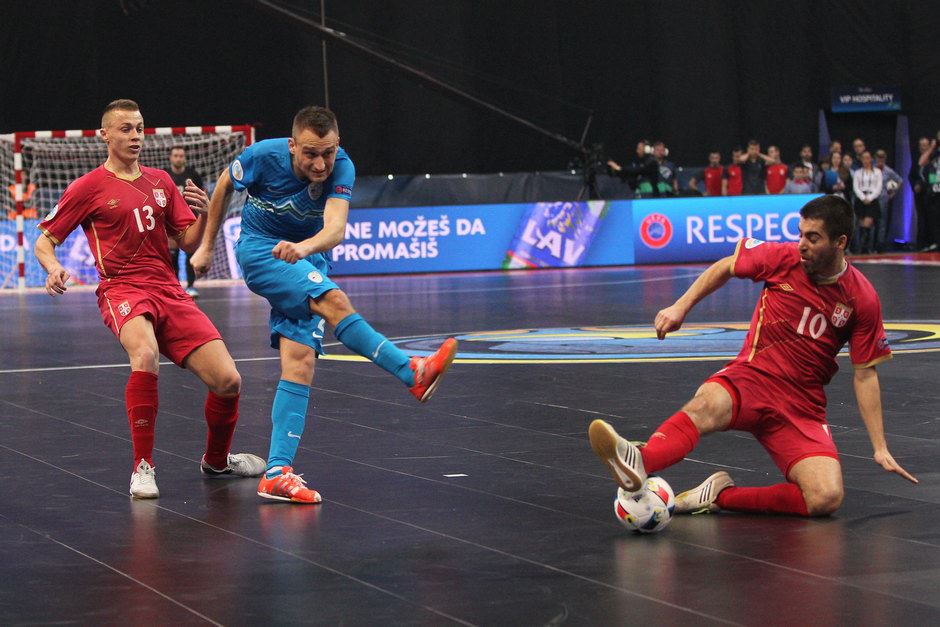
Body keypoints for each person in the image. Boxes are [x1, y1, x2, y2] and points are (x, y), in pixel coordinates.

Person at [190, 106, 458, 504]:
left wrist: (303, 249)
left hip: (305, 255)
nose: (320, 164)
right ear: (292, 145)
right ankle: (411, 371)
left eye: (328, 153)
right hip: (261, 251)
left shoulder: (341, 167)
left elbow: (335, 229)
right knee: (334, 300)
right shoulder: (263, 155)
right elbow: (225, 185)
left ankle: (276, 473)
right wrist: (207, 247)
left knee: (300, 362)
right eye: (310, 154)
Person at [589, 194, 917, 518]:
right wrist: (680, 306)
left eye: (813, 238)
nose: (801, 244)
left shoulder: (862, 298)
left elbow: (865, 373)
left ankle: (720, 496)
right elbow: (727, 266)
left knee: (825, 498)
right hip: (752, 378)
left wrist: (880, 447)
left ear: (840, 242)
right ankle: (639, 461)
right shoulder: (783, 258)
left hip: (801, 406)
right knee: (705, 405)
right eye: (800, 234)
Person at [34, 99, 265, 498]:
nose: (135, 136)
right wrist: (53, 267)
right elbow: (44, 241)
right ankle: (143, 467)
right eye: (126, 129)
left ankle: (216, 460)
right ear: (105, 135)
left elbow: (188, 242)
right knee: (145, 354)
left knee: (228, 380)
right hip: (121, 288)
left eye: (139, 128)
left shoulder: (160, 182)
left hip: (168, 290)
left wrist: (203, 214)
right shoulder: (87, 187)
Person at [164, 146, 204, 297]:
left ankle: (191, 286)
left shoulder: (192, 175)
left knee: (190, 255)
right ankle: (175, 287)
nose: (178, 158)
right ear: (170, 157)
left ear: (185, 158)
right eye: (176, 155)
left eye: (181, 156)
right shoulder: (165, 175)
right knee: (172, 256)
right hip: (170, 222)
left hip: (190, 220)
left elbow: (202, 193)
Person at [852, 151, 883, 254]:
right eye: (864, 158)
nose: (866, 160)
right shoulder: (857, 172)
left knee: (868, 222)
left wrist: (870, 198)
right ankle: (863, 248)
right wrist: (862, 197)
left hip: (872, 199)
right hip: (861, 199)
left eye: (867, 158)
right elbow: (856, 187)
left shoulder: (877, 172)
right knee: (861, 223)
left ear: (871, 159)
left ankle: (867, 247)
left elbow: (878, 187)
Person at [874, 149, 902, 252]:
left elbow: (899, 180)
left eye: (882, 157)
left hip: (883, 198)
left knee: (882, 222)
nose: (880, 159)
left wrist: (893, 193)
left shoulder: (888, 171)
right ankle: (870, 245)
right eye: (878, 157)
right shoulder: (872, 169)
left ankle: (880, 245)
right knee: (872, 222)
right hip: (872, 198)